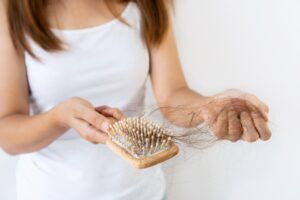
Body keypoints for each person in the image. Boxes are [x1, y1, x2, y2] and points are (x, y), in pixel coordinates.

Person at [0, 0, 271, 200]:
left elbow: (173, 94)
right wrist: (60, 117)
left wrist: (211, 106)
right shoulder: (12, 9)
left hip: (142, 193)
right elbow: (7, 133)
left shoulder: (149, 4)